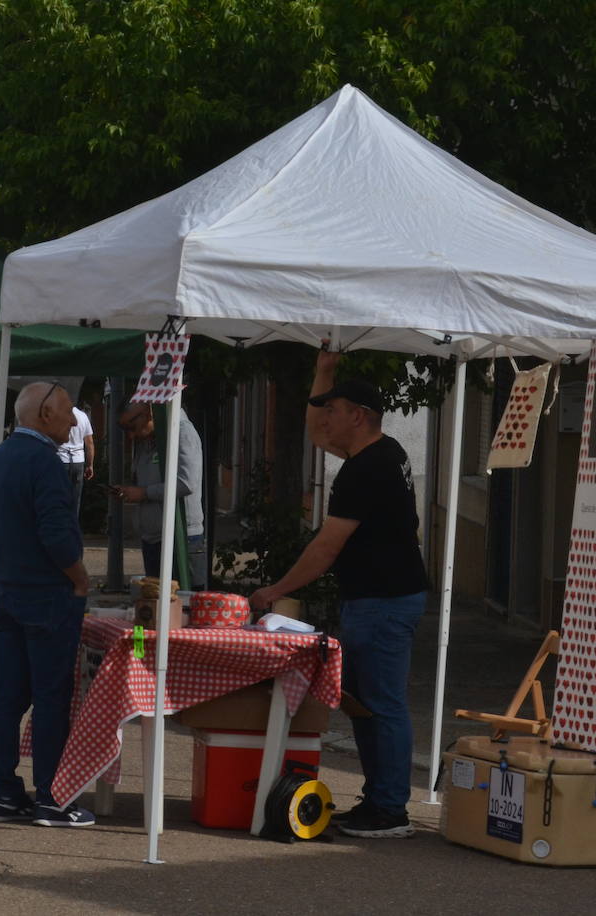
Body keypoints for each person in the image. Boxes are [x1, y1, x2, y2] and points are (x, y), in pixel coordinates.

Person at [248, 352, 429, 839]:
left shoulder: (365, 469)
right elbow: (316, 434)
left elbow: (326, 548)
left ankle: (389, 810)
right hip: (381, 597)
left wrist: (275, 590)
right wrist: (323, 373)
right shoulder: (382, 452)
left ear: (359, 416)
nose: (324, 419)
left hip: (384, 601)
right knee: (366, 703)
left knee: (380, 704)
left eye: (333, 410)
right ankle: (379, 801)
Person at [0, 380, 94, 827]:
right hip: (46, 595)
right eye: (67, 410)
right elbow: (57, 534)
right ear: (45, 414)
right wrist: (80, 579)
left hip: (8, 588)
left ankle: (4, 792)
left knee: (8, 697)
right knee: (50, 698)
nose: (73, 419)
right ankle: (52, 797)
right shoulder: (45, 462)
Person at [114, 402, 206, 590]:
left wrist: (143, 493)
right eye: (124, 430)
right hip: (153, 538)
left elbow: (187, 482)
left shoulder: (182, 432)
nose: (131, 435)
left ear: (148, 412)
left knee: (182, 602)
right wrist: (131, 491)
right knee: (154, 600)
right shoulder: (149, 437)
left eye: (131, 427)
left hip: (180, 539)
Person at [57, 402, 95, 514]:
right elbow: (89, 443)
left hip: (60, 460)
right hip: (78, 462)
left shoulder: (57, 414)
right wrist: (90, 465)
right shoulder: (83, 416)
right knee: (75, 501)